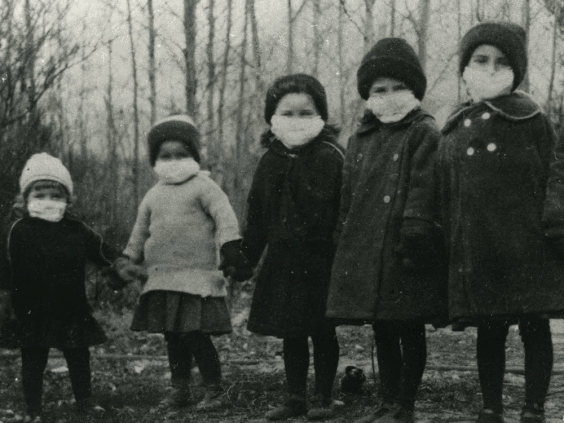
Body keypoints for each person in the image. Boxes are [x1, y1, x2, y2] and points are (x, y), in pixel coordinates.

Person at [438, 22, 564, 423]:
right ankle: (491, 406)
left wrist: (554, 223)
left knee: (534, 323)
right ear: (465, 66)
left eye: (502, 62)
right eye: (480, 60)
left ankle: (533, 407)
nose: (490, 69)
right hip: (479, 243)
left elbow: (552, 173)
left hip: (528, 242)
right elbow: (445, 186)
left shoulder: (532, 118)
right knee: (489, 326)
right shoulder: (456, 125)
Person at [326, 38, 447, 423]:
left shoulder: (424, 132)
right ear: (367, 94)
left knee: (408, 326)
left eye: (399, 87)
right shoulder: (360, 139)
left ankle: (405, 404)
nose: (389, 96)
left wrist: (415, 231)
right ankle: (387, 400)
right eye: (380, 89)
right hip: (367, 250)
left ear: (414, 91)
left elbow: (426, 185)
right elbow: (348, 196)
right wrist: (342, 238)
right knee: (381, 329)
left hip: (407, 249)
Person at [115, 115, 251, 410]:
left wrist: (230, 247)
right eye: (166, 155)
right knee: (173, 337)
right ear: (156, 159)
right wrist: (127, 259)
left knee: (195, 335)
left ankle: (214, 389)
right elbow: (139, 232)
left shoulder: (204, 187)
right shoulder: (153, 195)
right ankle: (181, 390)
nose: (174, 161)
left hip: (196, 278)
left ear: (194, 157)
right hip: (162, 279)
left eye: (182, 154)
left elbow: (224, 216)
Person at [240, 74, 344, 421]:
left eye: (306, 112)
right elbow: (258, 216)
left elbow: (345, 213)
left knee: (322, 331)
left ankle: (324, 397)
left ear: (321, 116)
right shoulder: (271, 160)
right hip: (284, 261)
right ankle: (295, 397)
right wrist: (246, 259)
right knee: (292, 333)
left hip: (321, 260)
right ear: (273, 117)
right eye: (288, 113)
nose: (297, 121)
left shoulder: (332, 157)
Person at [0, 153, 119, 422]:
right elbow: (4, 268)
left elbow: (101, 250)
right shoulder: (17, 230)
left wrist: (121, 263)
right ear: (26, 198)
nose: (48, 201)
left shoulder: (76, 229)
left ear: (67, 199)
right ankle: (33, 410)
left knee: (79, 357)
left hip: (71, 307)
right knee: (33, 361)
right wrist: (5, 301)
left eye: (56, 196)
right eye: (39, 195)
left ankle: (85, 403)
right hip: (31, 310)